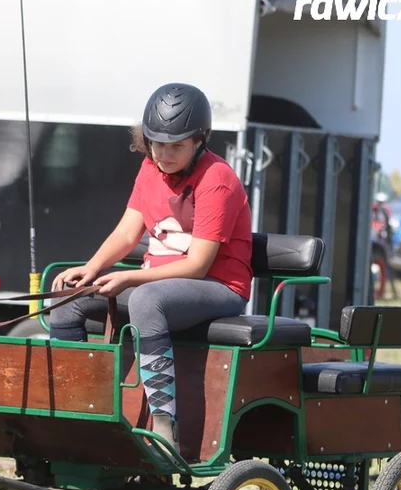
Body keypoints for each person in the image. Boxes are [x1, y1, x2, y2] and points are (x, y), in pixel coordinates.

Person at [49, 82, 253, 452]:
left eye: (176, 145)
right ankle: (77, 411)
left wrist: (129, 276)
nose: (164, 154)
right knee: (67, 297)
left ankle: (164, 429)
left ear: (199, 140)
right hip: (158, 287)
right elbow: (127, 233)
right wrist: (91, 268)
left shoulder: (217, 179)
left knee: (146, 300)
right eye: (157, 143)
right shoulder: (149, 169)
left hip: (219, 287)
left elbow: (197, 265)